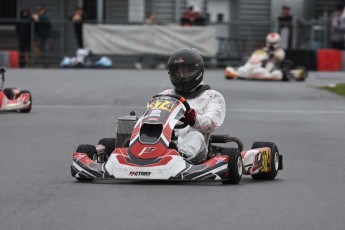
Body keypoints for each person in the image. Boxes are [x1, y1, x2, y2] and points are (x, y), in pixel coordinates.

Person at [159, 48, 226, 163]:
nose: (181, 76)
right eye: (177, 73)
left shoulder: (212, 96)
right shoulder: (165, 95)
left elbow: (212, 122)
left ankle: (178, 157)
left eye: (186, 72)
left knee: (195, 135)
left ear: (198, 71)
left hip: (196, 151)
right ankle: (141, 153)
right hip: (163, 141)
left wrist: (194, 120)